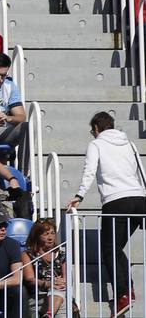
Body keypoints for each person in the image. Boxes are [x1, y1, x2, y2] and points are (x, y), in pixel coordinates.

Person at [68, 110, 146, 315]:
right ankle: (127, 290)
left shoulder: (96, 144)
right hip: (140, 199)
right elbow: (141, 171)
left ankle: (123, 295)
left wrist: (79, 195)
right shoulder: (129, 143)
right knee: (116, 247)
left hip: (116, 201)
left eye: (92, 131)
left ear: (96, 128)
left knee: (109, 249)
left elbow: (89, 170)